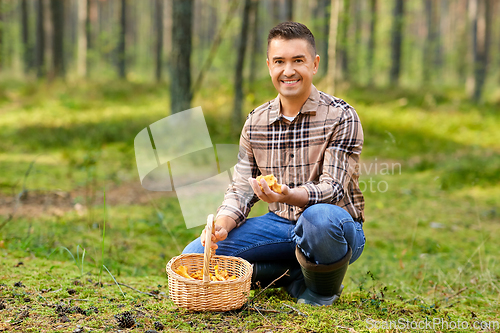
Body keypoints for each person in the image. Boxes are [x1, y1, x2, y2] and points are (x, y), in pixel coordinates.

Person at [182, 21, 365, 306]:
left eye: (298, 61)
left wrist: (289, 195)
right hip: (278, 225)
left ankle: (319, 293)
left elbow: (333, 189)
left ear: (314, 65)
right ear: (269, 65)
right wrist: (223, 223)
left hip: (334, 227)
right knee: (193, 257)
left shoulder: (341, 116)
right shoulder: (256, 122)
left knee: (318, 219)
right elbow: (242, 188)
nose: (288, 70)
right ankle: (294, 274)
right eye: (279, 61)